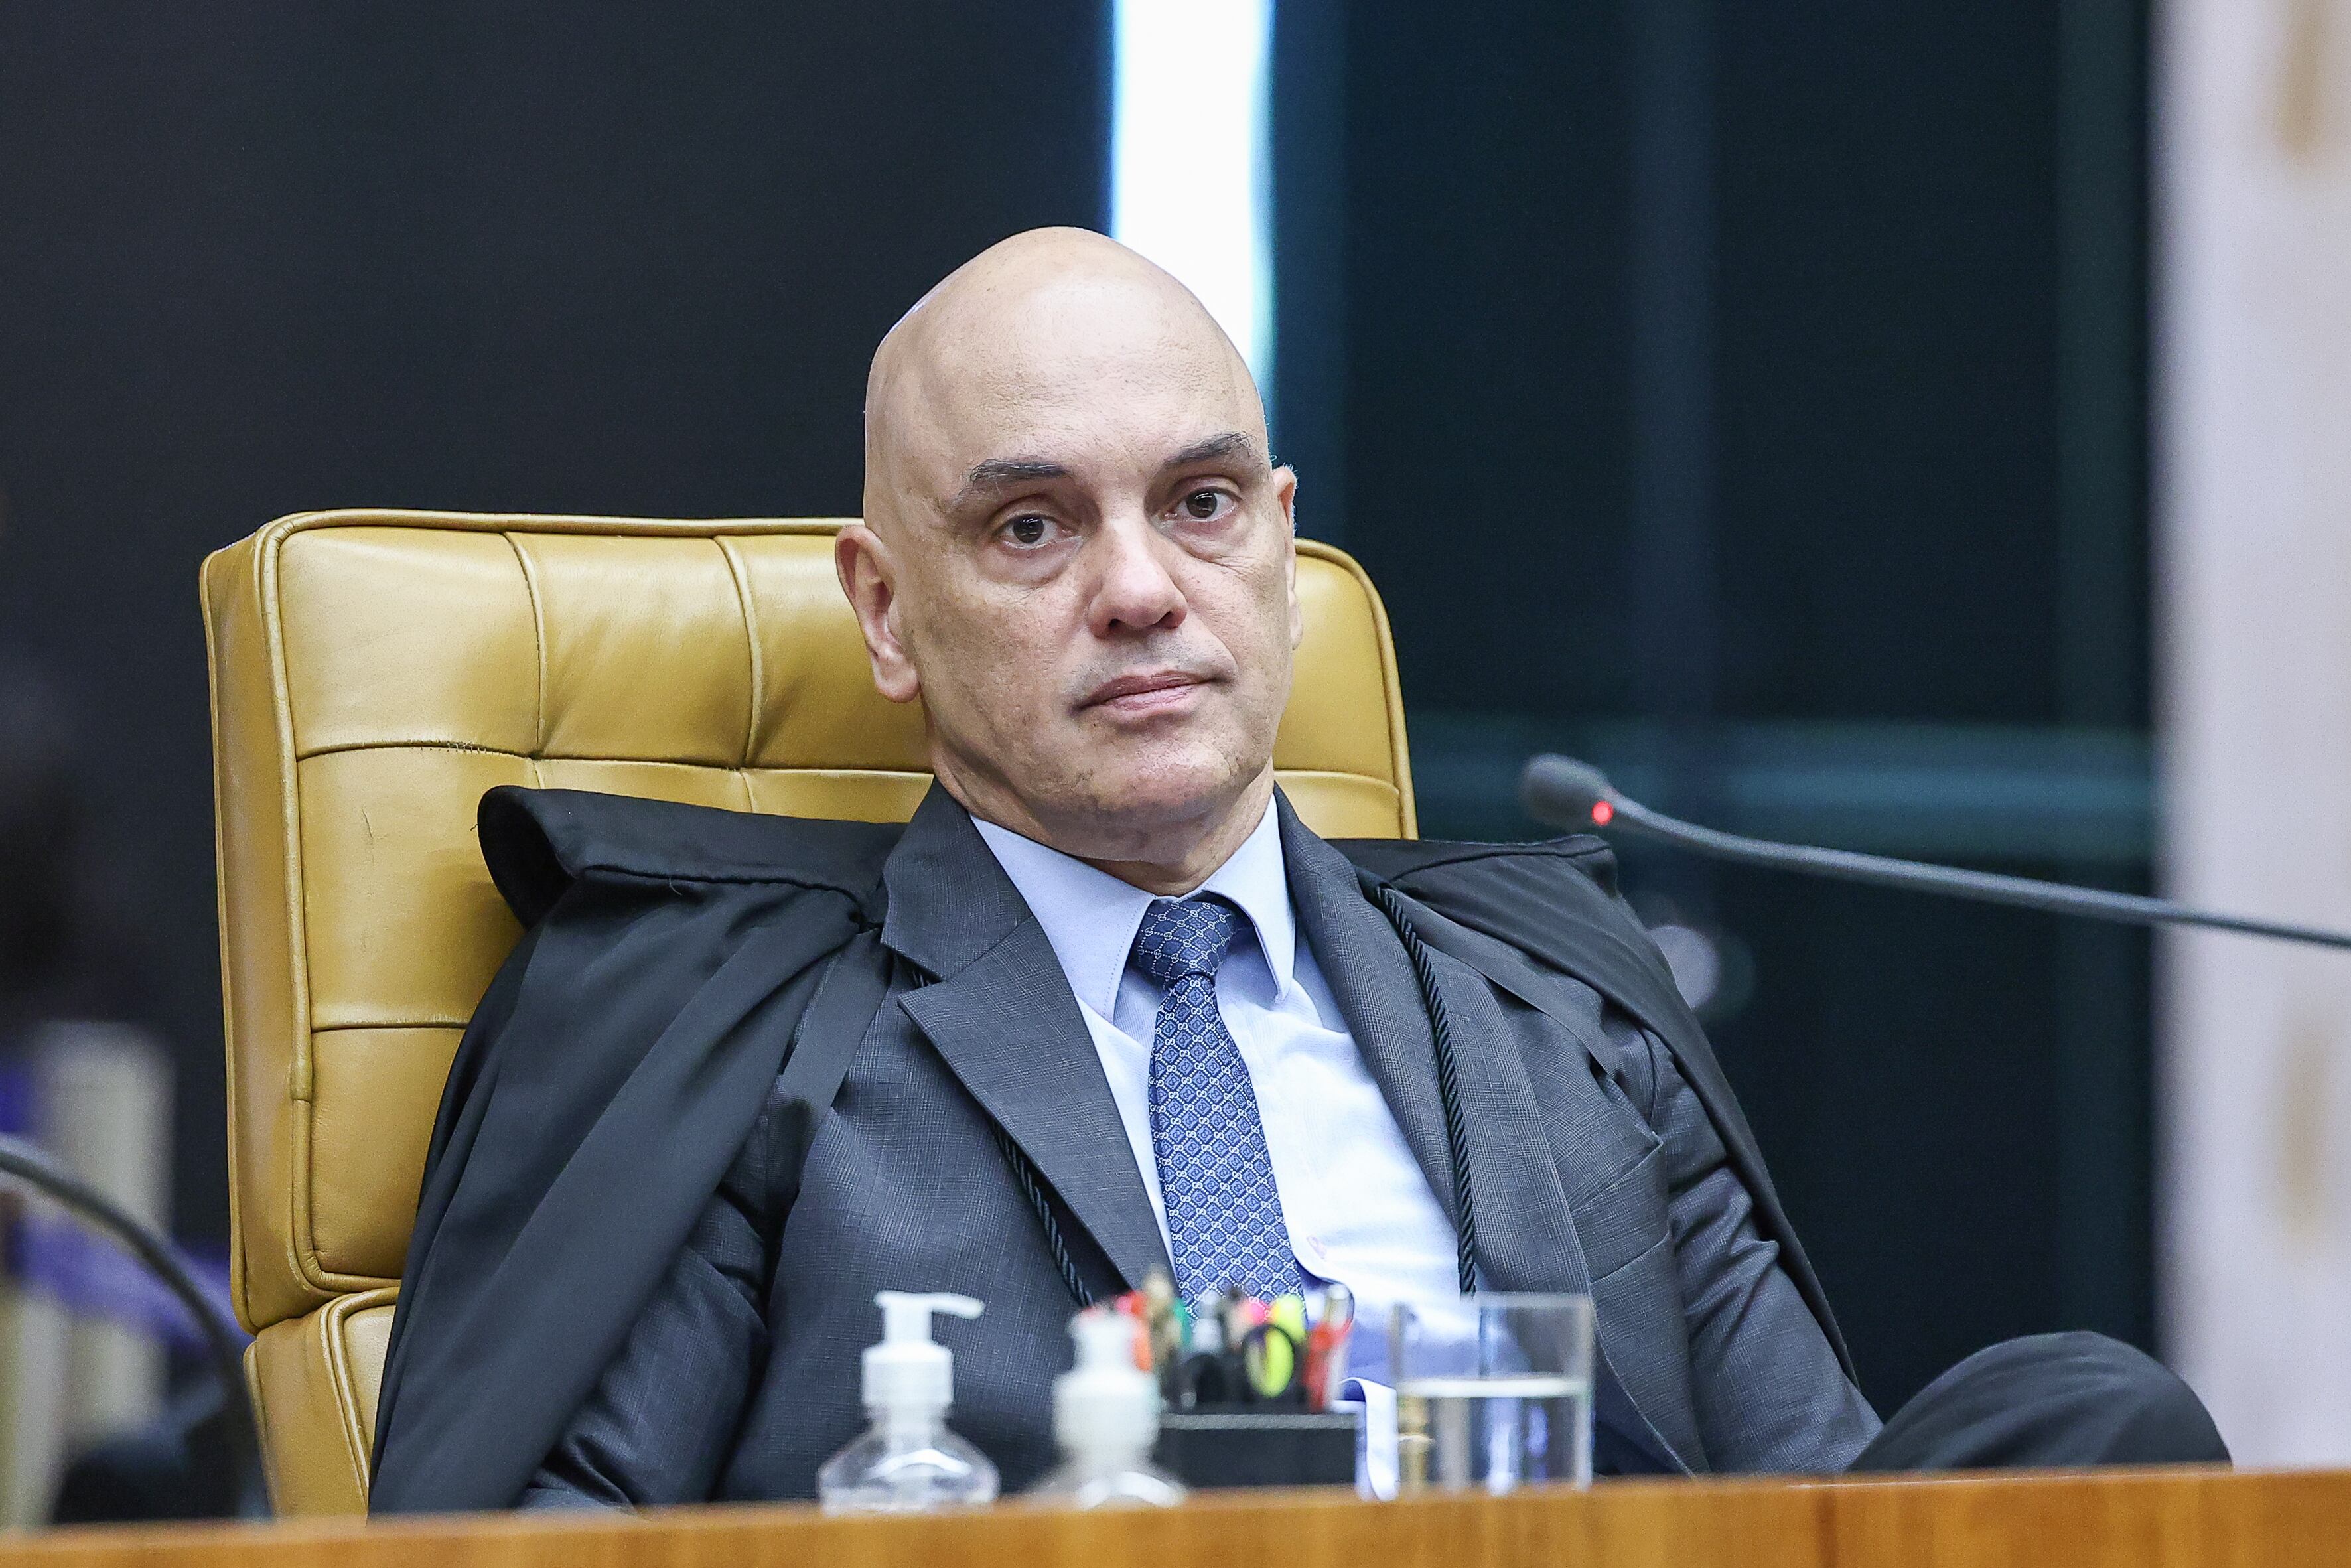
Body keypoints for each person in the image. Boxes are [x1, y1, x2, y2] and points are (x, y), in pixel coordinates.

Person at [368, 230, 2224, 1513]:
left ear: (1275, 539)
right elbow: (544, 1542)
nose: (1140, 589)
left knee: (2089, 1414)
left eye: (1197, 503)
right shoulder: (733, 1027)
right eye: (1034, 526)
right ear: (887, 610)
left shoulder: (1554, 1007)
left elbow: (1836, 1513)